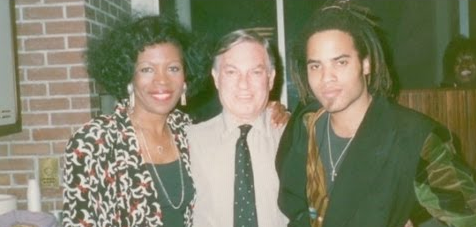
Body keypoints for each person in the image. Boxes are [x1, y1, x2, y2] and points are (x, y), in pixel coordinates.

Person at [62, 15, 289, 227]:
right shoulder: (95, 141)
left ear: (185, 76)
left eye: (173, 68)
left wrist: (276, 109)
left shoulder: (185, 131)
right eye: (147, 69)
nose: (162, 80)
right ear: (129, 75)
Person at [275, 1, 476, 227]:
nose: (326, 77)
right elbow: (297, 209)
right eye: (315, 66)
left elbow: (468, 216)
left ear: (366, 64)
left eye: (340, 62)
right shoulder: (304, 127)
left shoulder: (414, 137)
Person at [189, 29, 288, 227]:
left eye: (256, 72)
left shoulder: (294, 136)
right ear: (216, 78)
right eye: (232, 72)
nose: (244, 84)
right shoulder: (188, 141)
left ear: (270, 79)